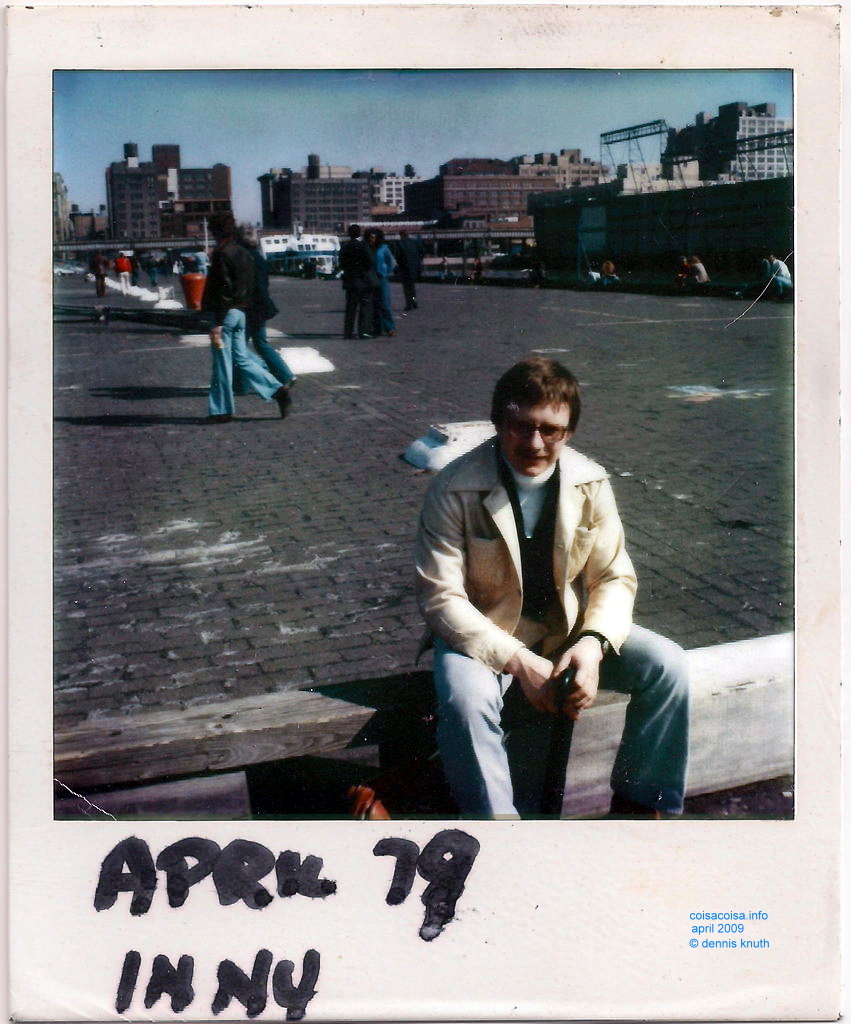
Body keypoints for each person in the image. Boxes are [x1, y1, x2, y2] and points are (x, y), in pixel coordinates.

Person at [415, 357, 689, 820]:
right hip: (483, 637)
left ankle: (642, 809)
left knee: (668, 666)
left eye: (551, 430)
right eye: (520, 427)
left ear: (571, 430)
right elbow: (440, 598)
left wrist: (593, 645)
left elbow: (613, 577)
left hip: (566, 631)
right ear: (499, 421)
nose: (535, 443)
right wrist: (518, 662)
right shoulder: (453, 487)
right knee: (465, 700)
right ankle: (497, 829)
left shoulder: (591, 481)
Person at [201, 211, 292, 423]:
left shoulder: (222, 254)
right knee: (241, 359)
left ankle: (221, 410)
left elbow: (223, 288)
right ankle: (277, 389)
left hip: (225, 314)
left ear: (214, 231)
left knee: (222, 365)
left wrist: (218, 322)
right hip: (242, 313)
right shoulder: (244, 253)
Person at [238, 224, 297, 400]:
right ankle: (286, 374)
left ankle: (241, 384)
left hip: (249, 307)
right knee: (260, 343)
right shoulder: (259, 258)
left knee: (239, 348)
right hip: (261, 306)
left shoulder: (243, 258)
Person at [339, 224, 375, 339]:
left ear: (349, 234)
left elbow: (342, 264)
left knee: (350, 308)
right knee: (365, 307)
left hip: (350, 281)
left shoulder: (345, 246)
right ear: (360, 233)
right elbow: (370, 261)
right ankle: (363, 332)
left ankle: (348, 332)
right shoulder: (364, 246)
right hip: (364, 281)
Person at [365, 228, 397, 337]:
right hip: (369, 279)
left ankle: (390, 327)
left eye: (373, 237)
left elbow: (391, 262)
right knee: (373, 305)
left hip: (381, 279)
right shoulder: (366, 248)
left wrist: (386, 272)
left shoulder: (384, 248)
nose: (371, 239)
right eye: (369, 237)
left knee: (385, 304)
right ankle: (376, 328)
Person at [396, 229, 422, 312]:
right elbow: (422, 252)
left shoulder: (400, 243)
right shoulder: (415, 242)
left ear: (401, 235)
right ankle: (414, 302)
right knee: (412, 287)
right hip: (414, 267)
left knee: (407, 288)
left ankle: (409, 304)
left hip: (405, 268)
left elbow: (398, 256)